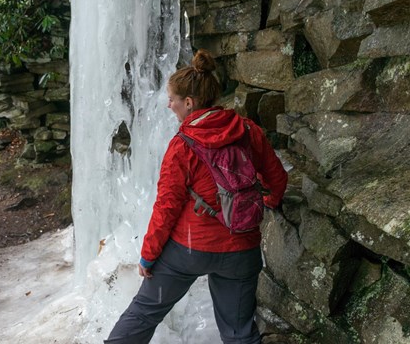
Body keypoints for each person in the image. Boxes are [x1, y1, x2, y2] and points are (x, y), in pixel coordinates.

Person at [105, 49, 288, 344]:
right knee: (240, 333)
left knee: (144, 313)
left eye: (173, 100)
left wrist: (148, 256)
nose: (168, 105)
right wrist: (270, 202)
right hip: (241, 248)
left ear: (188, 103)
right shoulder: (248, 130)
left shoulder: (181, 146)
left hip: (188, 251)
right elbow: (277, 179)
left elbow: (166, 207)